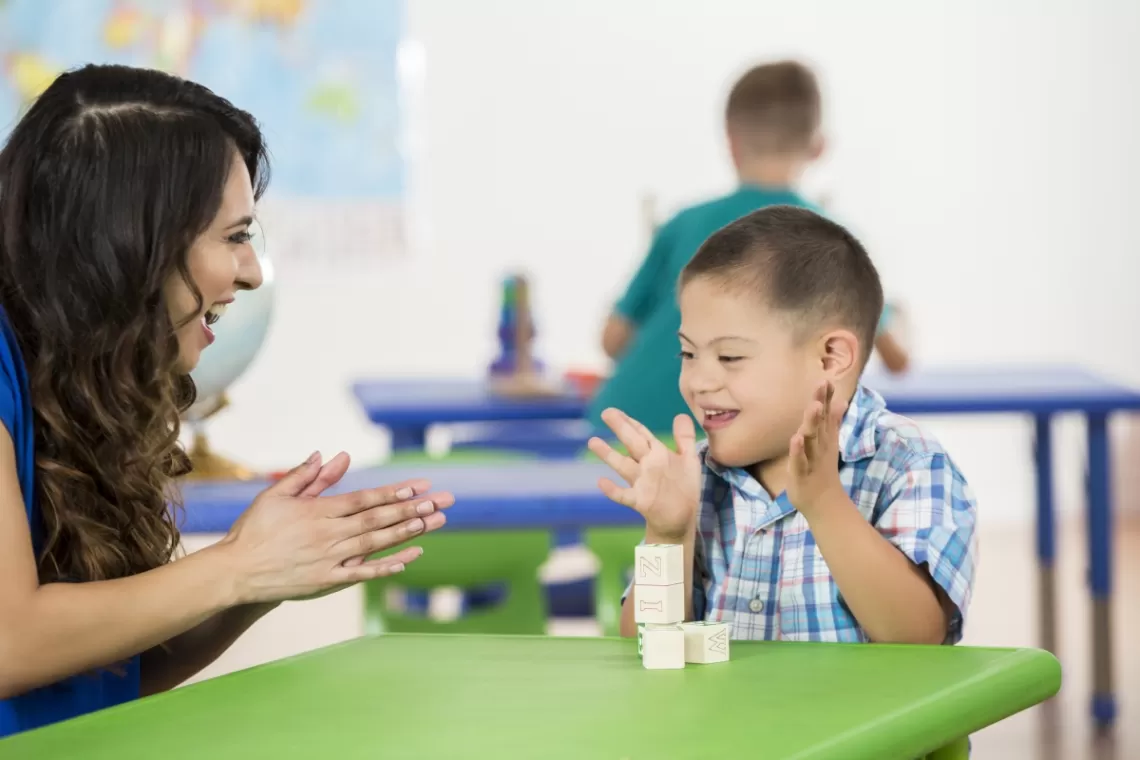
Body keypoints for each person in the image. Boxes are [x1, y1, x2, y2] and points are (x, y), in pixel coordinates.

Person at [0, 64, 453, 737]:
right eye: (236, 237)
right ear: (131, 242)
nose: (251, 271)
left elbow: (98, 676)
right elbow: (12, 646)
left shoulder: (70, 381)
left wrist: (262, 579)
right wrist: (239, 567)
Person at [588, 205, 977, 644]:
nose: (697, 381)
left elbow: (917, 637)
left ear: (830, 358)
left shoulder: (908, 464)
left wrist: (826, 502)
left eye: (730, 356)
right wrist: (667, 536)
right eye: (688, 354)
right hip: (724, 717)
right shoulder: (695, 479)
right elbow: (647, 647)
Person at [590, 60, 909, 437]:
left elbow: (612, 340)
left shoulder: (683, 223)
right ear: (818, 147)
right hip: (727, 456)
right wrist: (900, 322)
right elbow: (896, 358)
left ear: (731, 141)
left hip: (622, 434)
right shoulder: (832, 241)